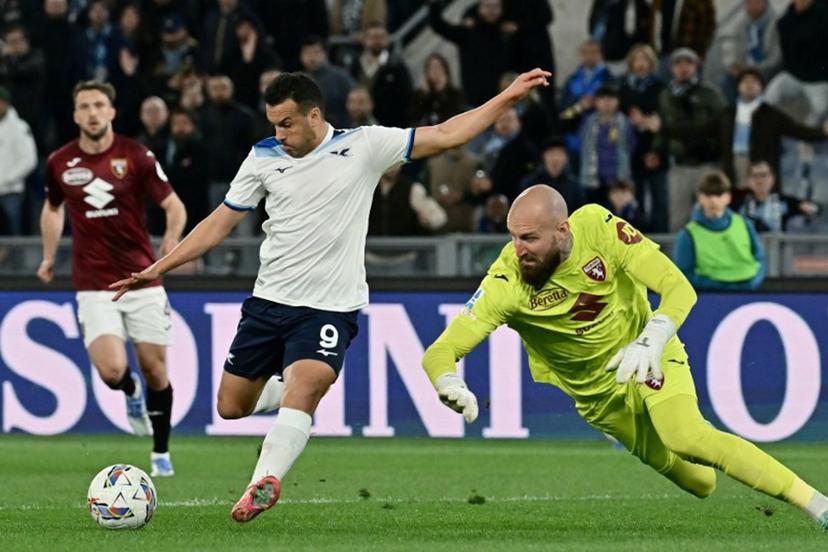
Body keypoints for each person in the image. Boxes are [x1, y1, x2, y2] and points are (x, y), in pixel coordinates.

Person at [109, 68, 551, 522]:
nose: (278, 134)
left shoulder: (363, 146)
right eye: (273, 125)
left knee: (306, 386)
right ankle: (294, 390)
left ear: (314, 115)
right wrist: (158, 269)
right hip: (268, 303)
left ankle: (263, 480)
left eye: (286, 124)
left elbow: (446, 134)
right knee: (231, 406)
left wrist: (508, 96)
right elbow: (219, 223)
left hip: (329, 308)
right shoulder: (262, 157)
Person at [421, 184, 828, 531]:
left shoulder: (599, 228)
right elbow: (441, 350)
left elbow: (678, 287)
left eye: (529, 238)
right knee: (700, 482)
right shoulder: (505, 283)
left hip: (649, 354)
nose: (517, 249)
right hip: (599, 400)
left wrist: (653, 337)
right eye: (512, 236)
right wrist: (446, 380)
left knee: (685, 435)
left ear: (562, 231)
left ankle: (817, 504)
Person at [38, 81, 186, 476]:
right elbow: (52, 209)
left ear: (111, 112)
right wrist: (49, 256)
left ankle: (160, 452)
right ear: (75, 115)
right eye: (84, 105)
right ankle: (129, 392)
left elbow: (174, 205)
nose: (91, 112)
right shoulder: (60, 162)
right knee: (111, 371)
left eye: (99, 105)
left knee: (156, 370)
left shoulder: (135, 156)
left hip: (142, 278)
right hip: (93, 283)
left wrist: (172, 237)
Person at [673, 170, 765, 291]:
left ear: (728, 197)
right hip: (709, 296)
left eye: (719, 195)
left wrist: (753, 282)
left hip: (746, 290)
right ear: (700, 198)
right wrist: (717, 286)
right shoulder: (688, 234)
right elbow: (684, 273)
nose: (714, 200)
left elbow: (759, 259)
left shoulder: (745, 224)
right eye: (708, 195)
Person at [738, 159, 819, 232]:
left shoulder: (783, 202)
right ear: (749, 181)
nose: (760, 180)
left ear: (772, 179)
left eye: (763, 175)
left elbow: (816, 208)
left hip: (775, 247)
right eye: (755, 176)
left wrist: (810, 208)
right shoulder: (739, 203)